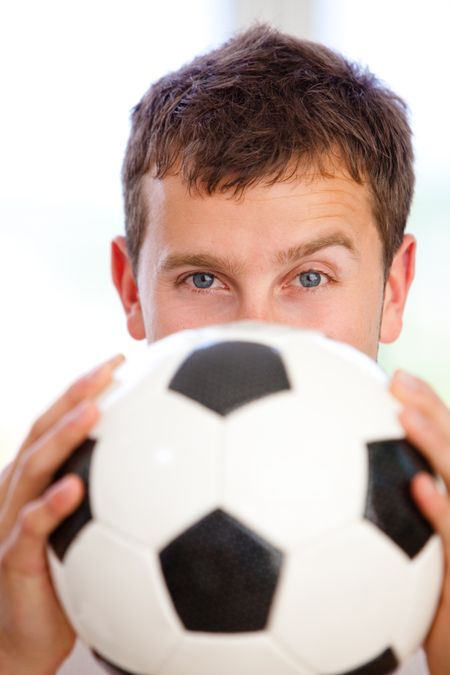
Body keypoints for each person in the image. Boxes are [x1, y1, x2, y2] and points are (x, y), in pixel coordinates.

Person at [0, 24, 448, 675]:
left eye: (310, 278)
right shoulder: (32, 580)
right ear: (130, 288)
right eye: (203, 280)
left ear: (394, 287)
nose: (256, 331)